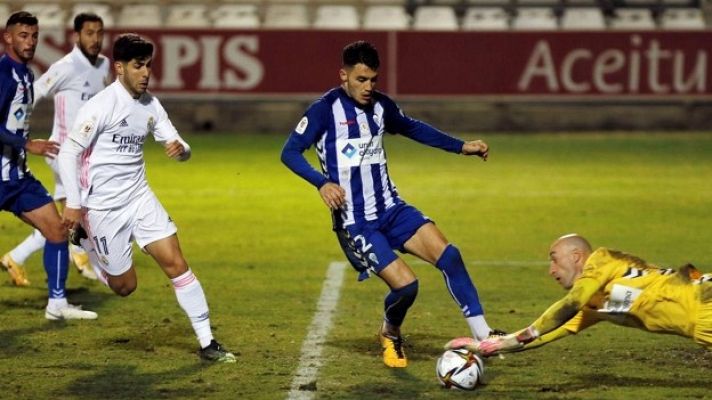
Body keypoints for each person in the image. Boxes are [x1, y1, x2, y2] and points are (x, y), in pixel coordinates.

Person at [281, 40, 496, 368]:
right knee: (407, 287)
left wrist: (461, 146)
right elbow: (290, 152)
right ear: (344, 76)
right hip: (356, 222)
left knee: (450, 257)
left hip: (392, 209)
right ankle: (390, 330)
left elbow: (411, 128)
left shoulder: (382, 107)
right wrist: (321, 182)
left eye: (373, 80)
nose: (368, 87)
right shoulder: (325, 110)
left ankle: (485, 337)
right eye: (361, 80)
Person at [57, 33, 236, 363]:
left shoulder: (151, 105)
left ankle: (208, 341)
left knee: (177, 263)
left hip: (140, 197)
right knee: (125, 287)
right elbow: (69, 152)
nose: (146, 73)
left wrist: (181, 150)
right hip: (102, 207)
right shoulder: (99, 107)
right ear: (119, 67)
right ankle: (85, 243)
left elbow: (181, 147)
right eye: (138, 66)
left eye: (149, 66)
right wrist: (73, 202)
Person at [447, 233, 712, 358]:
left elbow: (569, 305)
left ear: (576, 257)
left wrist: (511, 341)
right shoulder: (595, 305)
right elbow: (550, 332)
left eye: (554, 260)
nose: (551, 270)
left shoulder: (602, 259)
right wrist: (489, 346)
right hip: (702, 321)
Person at [1, 12, 111, 285]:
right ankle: (80, 253)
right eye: (89, 33)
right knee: (79, 212)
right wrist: (23, 136)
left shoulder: (104, 65)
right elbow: (32, 93)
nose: (95, 39)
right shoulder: (65, 66)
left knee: (62, 218)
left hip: (85, 154)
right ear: (76, 36)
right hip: (61, 151)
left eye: (99, 33)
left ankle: (18, 257)